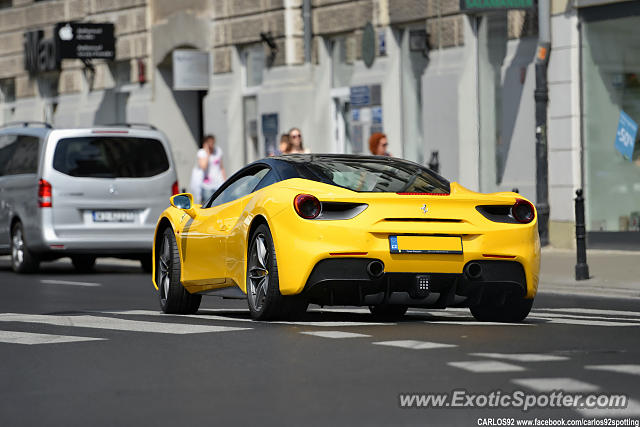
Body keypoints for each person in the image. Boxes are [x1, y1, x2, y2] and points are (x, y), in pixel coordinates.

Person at [189, 134, 227, 204]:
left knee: (219, 204)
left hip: (218, 183)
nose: (211, 145)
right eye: (209, 142)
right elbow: (204, 167)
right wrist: (207, 153)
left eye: (212, 142)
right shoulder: (201, 153)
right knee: (208, 204)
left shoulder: (218, 151)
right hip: (207, 185)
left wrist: (224, 180)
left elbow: (221, 167)